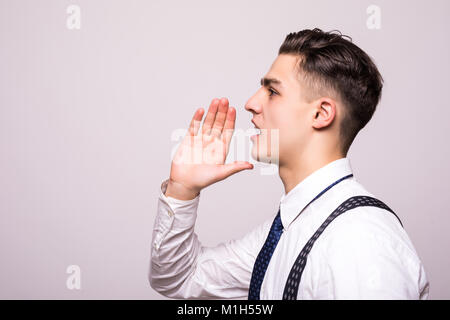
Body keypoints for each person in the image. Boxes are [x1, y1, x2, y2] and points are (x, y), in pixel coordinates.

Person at [149, 28, 429, 299]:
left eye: (272, 91)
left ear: (321, 113)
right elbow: (182, 279)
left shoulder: (359, 240)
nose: (251, 103)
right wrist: (182, 189)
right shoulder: (287, 229)